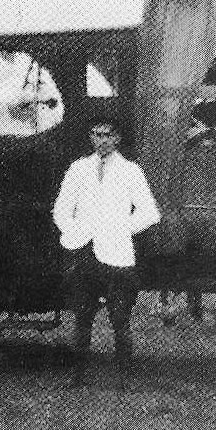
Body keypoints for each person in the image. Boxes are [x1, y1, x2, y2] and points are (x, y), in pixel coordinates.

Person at [53, 116, 160, 385]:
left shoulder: (131, 171)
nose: (102, 140)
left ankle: (125, 377)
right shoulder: (78, 169)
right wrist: (75, 232)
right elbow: (61, 210)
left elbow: (150, 212)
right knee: (82, 317)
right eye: (96, 134)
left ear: (117, 138)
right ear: (91, 137)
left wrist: (120, 229)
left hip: (117, 255)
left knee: (120, 319)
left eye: (107, 135)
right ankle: (78, 377)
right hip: (84, 254)